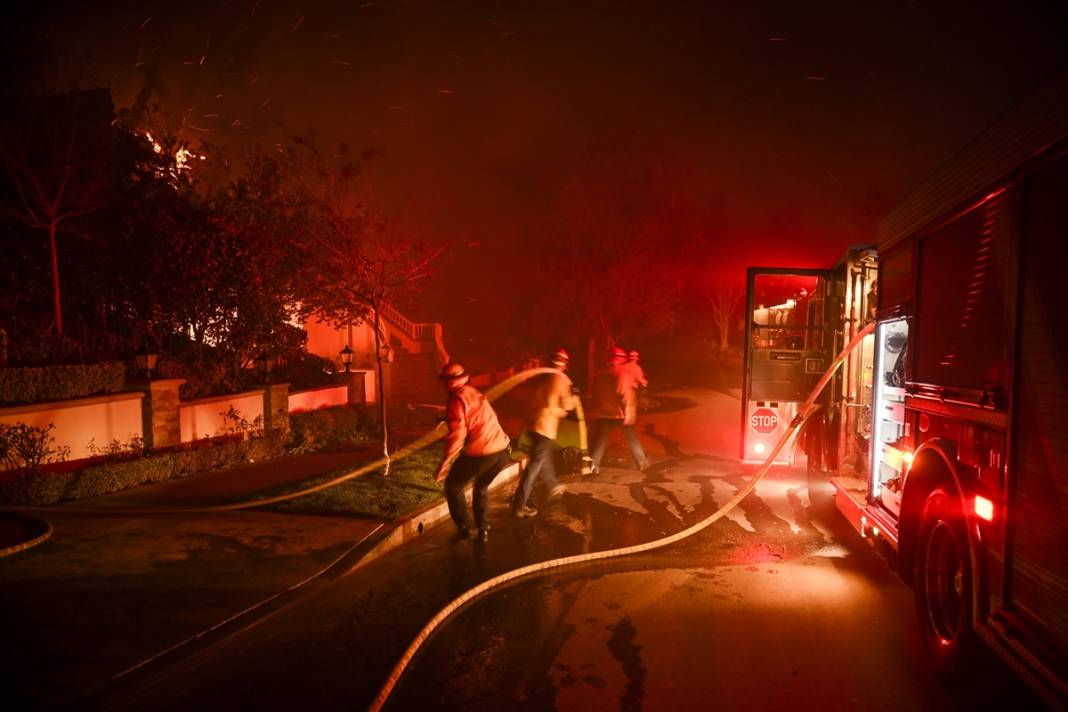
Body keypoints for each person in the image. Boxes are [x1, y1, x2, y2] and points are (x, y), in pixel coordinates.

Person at [434, 362, 512, 542]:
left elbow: (458, 436)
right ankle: (483, 529)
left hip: (482, 452)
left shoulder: (456, 399)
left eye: (448, 381)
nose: (446, 384)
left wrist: (444, 464)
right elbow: (475, 416)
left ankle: (464, 528)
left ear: (453, 381)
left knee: (453, 485)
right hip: (502, 451)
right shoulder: (474, 393)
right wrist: (446, 418)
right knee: (482, 487)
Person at [512, 349, 575, 518]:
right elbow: (567, 406)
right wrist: (571, 398)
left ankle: (552, 484)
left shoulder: (542, 375)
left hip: (533, 424)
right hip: (545, 426)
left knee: (543, 456)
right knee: (534, 465)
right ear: (565, 363)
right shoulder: (562, 379)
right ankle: (519, 505)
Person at [590, 347, 650, 474]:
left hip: (604, 413)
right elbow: (624, 395)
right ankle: (642, 463)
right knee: (632, 439)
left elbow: (595, 393)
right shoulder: (623, 373)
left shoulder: (601, 373)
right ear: (621, 359)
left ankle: (594, 466)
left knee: (601, 441)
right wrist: (628, 414)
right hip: (620, 414)